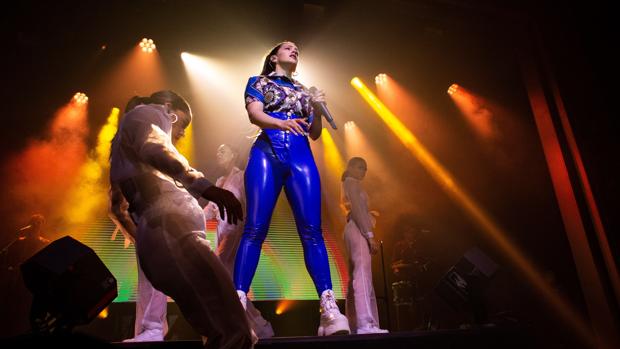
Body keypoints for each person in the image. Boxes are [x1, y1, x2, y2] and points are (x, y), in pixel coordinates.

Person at [108, 90, 254, 349]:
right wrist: (207, 188)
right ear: (169, 108)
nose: (183, 133)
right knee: (232, 325)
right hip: (172, 222)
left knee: (216, 324)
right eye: (183, 123)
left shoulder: (120, 151)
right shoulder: (151, 113)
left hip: (158, 230)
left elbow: (117, 207)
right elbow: (156, 148)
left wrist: (144, 237)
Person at [234, 41, 350, 336]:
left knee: (312, 230)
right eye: (287, 48)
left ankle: (328, 309)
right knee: (255, 228)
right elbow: (254, 115)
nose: (294, 50)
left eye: (297, 48)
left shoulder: (304, 90)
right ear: (274, 57)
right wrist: (281, 124)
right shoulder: (258, 81)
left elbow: (314, 132)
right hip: (267, 151)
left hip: (300, 154)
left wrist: (319, 109)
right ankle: (236, 303)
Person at [203, 144, 274, 338]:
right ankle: (258, 327)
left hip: (236, 234)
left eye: (223, 150)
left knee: (220, 276)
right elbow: (210, 209)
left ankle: (244, 328)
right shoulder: (219, 181)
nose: (218, 152)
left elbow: (250, 205)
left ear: (234, 154)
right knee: (232, 284)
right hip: (222, 234)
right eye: (218, 150)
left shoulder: (242, 177)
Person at [340, 157, 388, 334]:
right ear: (350, 167)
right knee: (362, 275)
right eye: (360, 167)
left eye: (365, 169)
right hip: (358, 229)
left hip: (354, 228)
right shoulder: (352, 183)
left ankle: (357, 324)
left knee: (357, 276)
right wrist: (370, 236)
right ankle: (366, 324)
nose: (363, 171)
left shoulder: (348, 183)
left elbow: (357, 209)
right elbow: (358, 210)